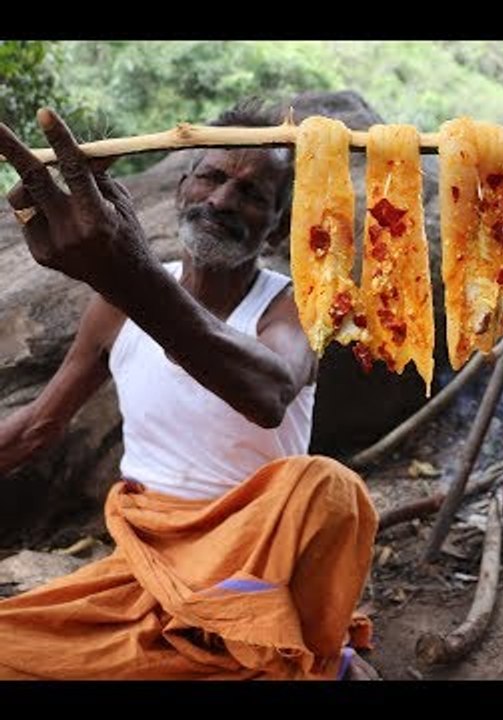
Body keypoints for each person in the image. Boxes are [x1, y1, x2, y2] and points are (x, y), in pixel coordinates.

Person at [0, 100, 379, 680]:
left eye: (252, 194)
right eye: (211, 177)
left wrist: (128, 274)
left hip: (258, 557)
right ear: (182, 188)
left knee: (329, 488)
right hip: (150, 564)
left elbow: (269, 392)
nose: (222, 201)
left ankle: (255, 642)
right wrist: (125, 280)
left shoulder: (297, 305)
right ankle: (243, 653)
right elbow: (35, 428)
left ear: (278, 225)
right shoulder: (115, 306)